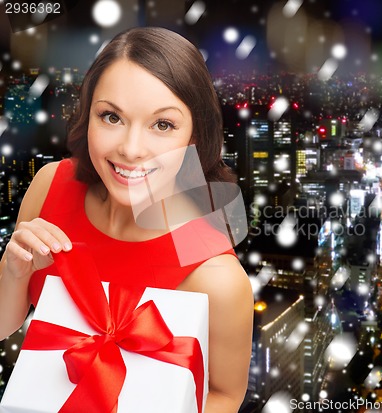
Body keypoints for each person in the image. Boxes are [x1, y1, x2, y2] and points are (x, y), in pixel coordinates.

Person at [0, 27, 254, 412]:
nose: (131, 149)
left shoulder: (213, 274)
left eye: (163, 125)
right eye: (111, 116)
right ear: (88, 117)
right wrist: (13, 272)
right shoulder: (51, 185)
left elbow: (224, 395)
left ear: (194, 138)